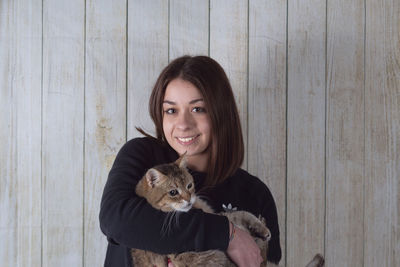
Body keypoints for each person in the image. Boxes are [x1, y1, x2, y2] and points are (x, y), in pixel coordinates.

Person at [99, 55, 282, 267]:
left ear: (220, 112)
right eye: (171, 110)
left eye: (198, 109)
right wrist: (227, 234)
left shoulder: (254, 193)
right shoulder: (142, 156)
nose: (183, 124)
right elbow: (116, 220)